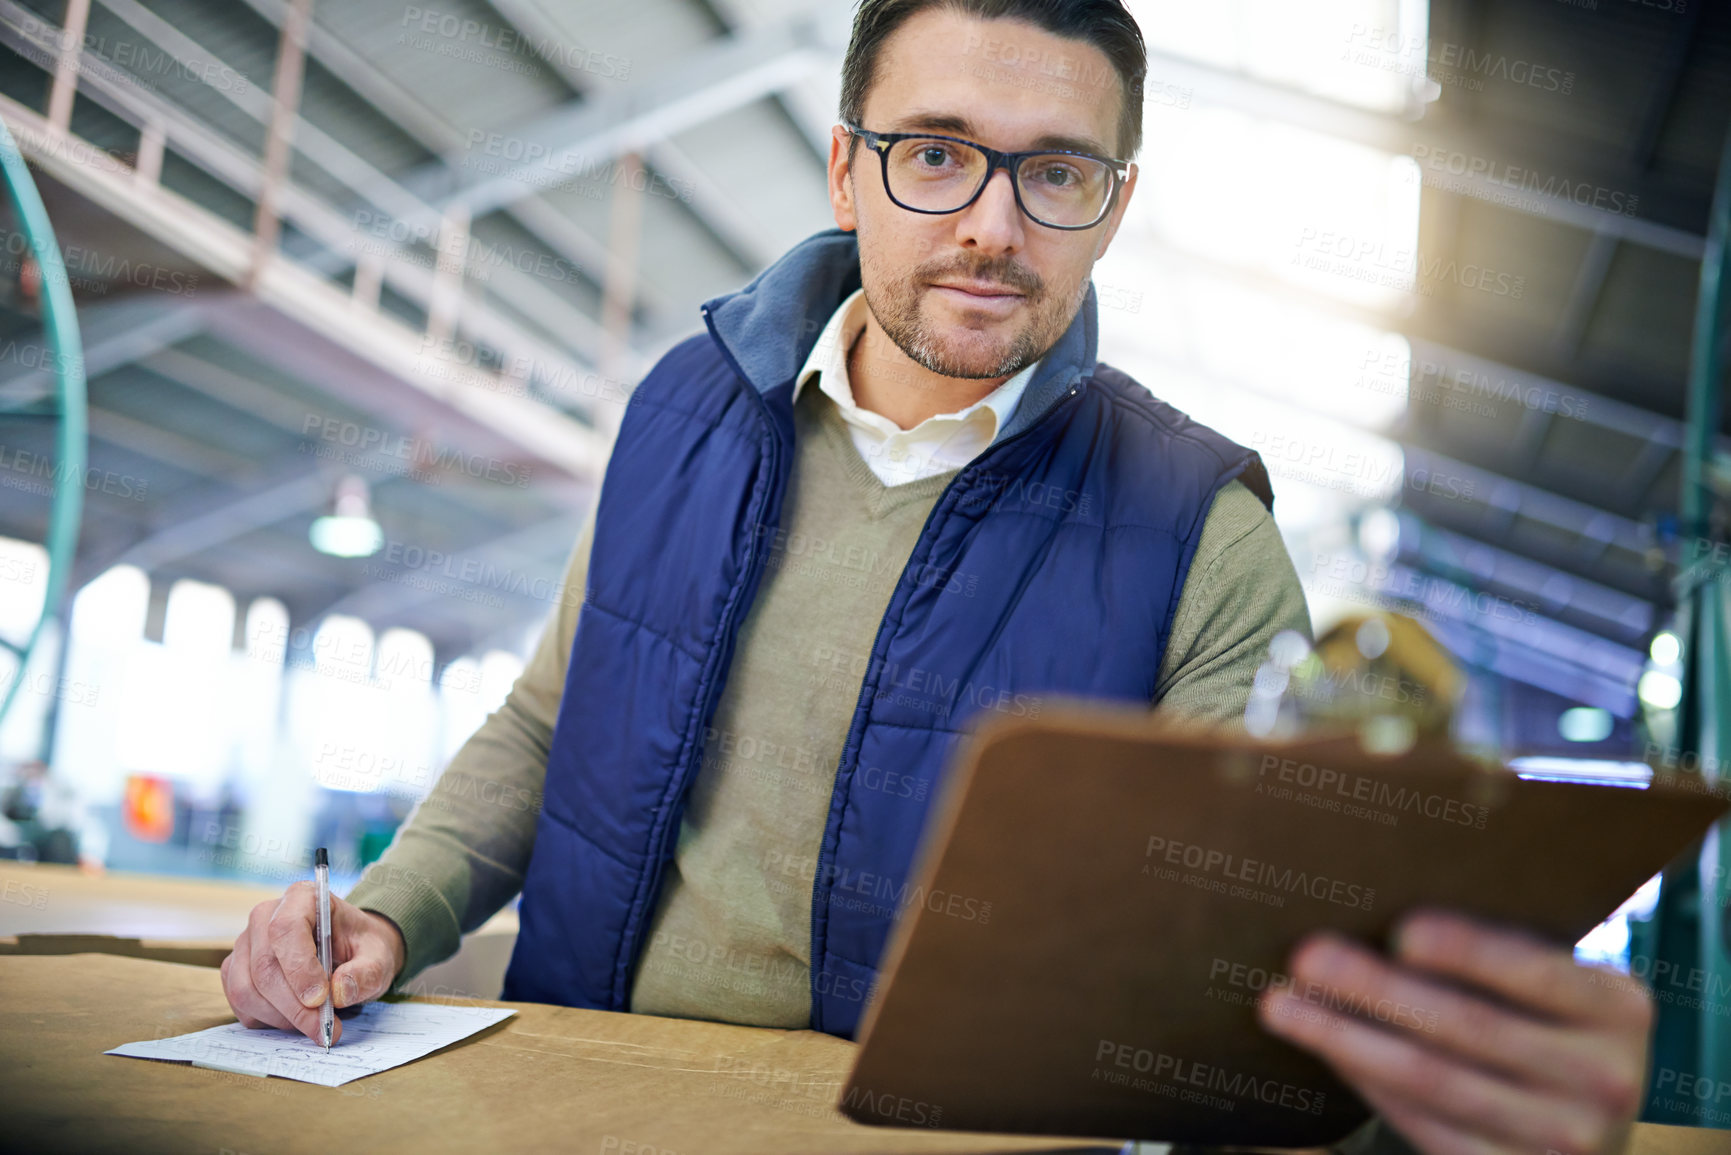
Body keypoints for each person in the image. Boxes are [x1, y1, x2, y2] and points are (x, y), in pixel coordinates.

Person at [221, 3, 1650, 1151]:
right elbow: (546, 724)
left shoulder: (1199, 526)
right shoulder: (682, 414)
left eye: (1057, 172)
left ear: (1115, 203)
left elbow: (1254, 951)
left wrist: (1420, 1077)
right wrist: (386, 915)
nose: (991, 224)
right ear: (848, 167)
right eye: (936, 151)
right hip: (586, 1099)